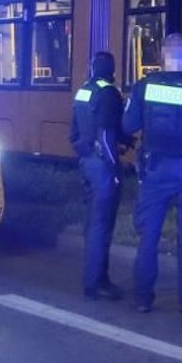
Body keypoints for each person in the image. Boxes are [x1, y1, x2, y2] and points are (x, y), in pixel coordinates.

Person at [121, 33, 182, 313]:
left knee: (148, 236)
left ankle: (142, 298)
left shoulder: (144, 86)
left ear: (163, 56)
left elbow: (128, 126)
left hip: (153, 171)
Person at [68, 51, 128, 300]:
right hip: (103, 165)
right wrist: (114, 168)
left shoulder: (84, 91)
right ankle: (96, 283)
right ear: (112, 70)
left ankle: (95, 278)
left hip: (87, 162)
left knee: (93, 223)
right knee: (102, 226)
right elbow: (105, 134)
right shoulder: (109, 93)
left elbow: (74, 131)